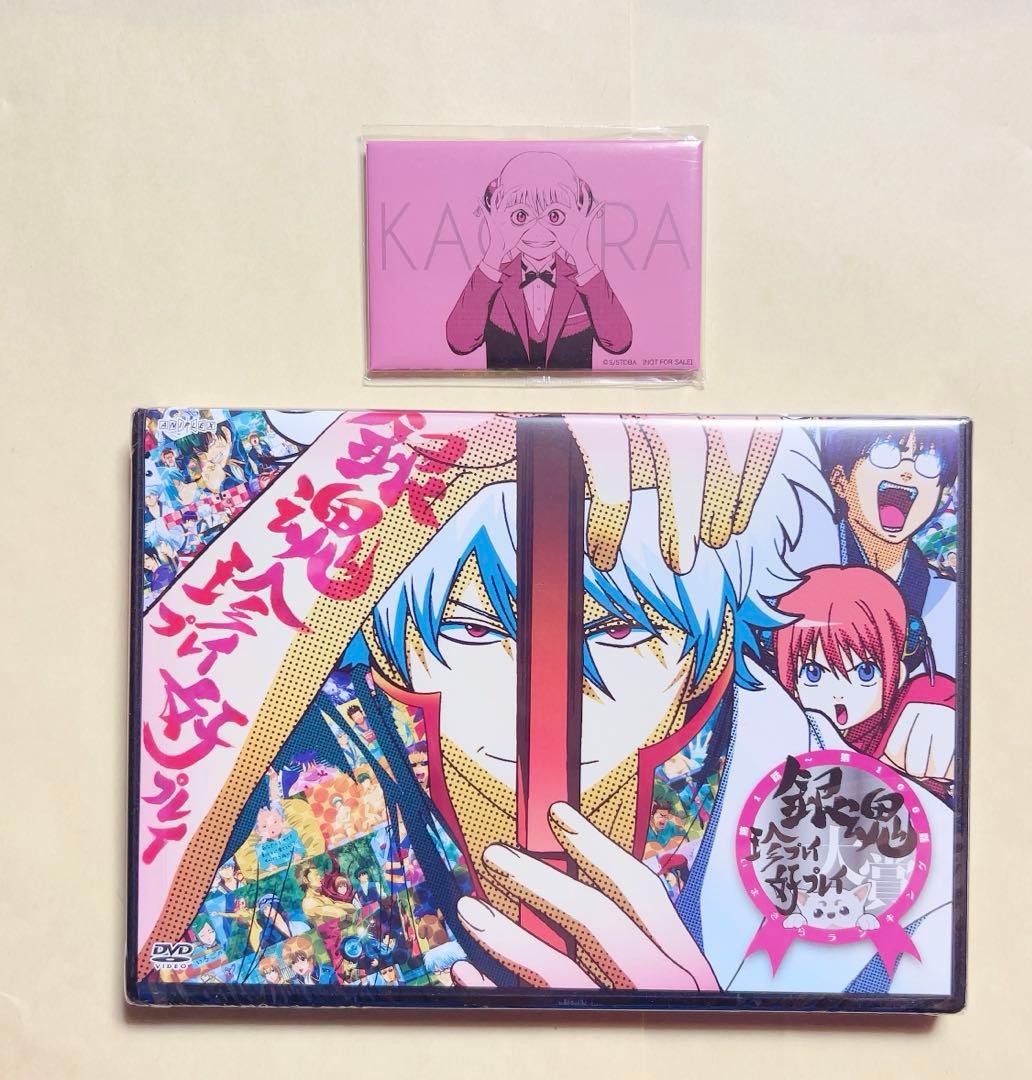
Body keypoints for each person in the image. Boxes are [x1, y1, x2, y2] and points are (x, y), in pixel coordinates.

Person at [139, 413, 955, 999]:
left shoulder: (832, 808)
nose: (539, 697)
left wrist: (702, 1024)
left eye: (623, 630)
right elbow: (149, 936)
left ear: (705, 657)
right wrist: (412, 458)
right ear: (392, 645)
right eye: (469, 628)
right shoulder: (325, 764)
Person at [773, 565, 955, 801]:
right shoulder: (788, 727)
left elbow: (935, 696)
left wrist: (941, 724)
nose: (838, 693)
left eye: (865, 672)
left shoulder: (902, 715)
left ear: (898, 672)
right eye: (813, 673)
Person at [446, 152, 631, 370]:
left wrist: (582, 255)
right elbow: (460, 342)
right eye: (520, 216)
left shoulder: (584, 278)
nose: (538, 230)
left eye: (555, 216)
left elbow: (619, 342)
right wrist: (494, 252)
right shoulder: (491, 278)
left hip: (575, 391)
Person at [820, 425, 959, 676]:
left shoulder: (945, 598)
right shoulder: (802, 574)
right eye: (885, 453)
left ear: (940, 494)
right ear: (840, 481)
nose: (907, 471)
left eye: (928, 462)